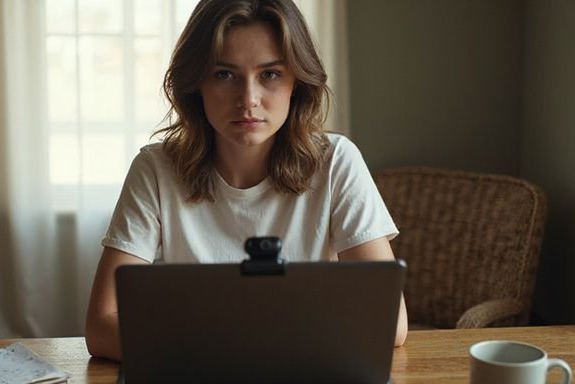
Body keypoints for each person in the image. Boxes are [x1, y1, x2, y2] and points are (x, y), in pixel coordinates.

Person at [85, 0, 407, 361]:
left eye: (269, 74)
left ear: (296, 84)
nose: (248, 100)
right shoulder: (155, 169)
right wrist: (244, 352)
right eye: (224, 74)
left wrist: (216, 346)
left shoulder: (336, 161)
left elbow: (389, 324)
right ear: (196, 84)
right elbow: (101, 326)